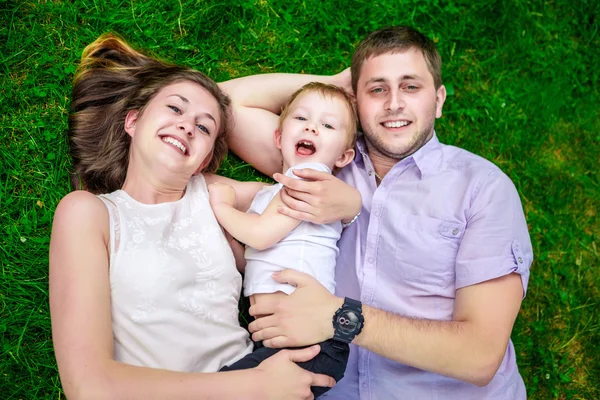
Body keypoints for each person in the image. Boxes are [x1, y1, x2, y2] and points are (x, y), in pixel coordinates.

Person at [220, 26, 533, 399]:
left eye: (411, 87)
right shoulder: (326, 154)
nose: (394, 103)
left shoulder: (482, 187)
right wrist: (334, 85)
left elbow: (479, 357)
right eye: (377, 89)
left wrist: (340, 317)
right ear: (356, 100)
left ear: (438, 99)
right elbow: (223, 102)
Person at [49, 33, 335, 400]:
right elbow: (88, 386)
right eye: (174, 108)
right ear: (133, 121)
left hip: (262, 375)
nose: (186, 125)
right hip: (257, 385)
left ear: (202, 161)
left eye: (204, 127)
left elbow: (313, 182)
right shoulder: (88, 213)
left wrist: (330, 90)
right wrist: (253, 385)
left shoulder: (215, 195)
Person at [207, 82, 358, 397]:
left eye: (328, 125)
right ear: (279, 136)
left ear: (344, 156)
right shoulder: (270, 194)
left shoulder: (310, 183)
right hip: (286, 341)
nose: (312, 128)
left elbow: (260, 236)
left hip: (312, 342)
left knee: (220, 389)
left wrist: (221, 207)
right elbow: (257, 255)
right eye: (301, 119)